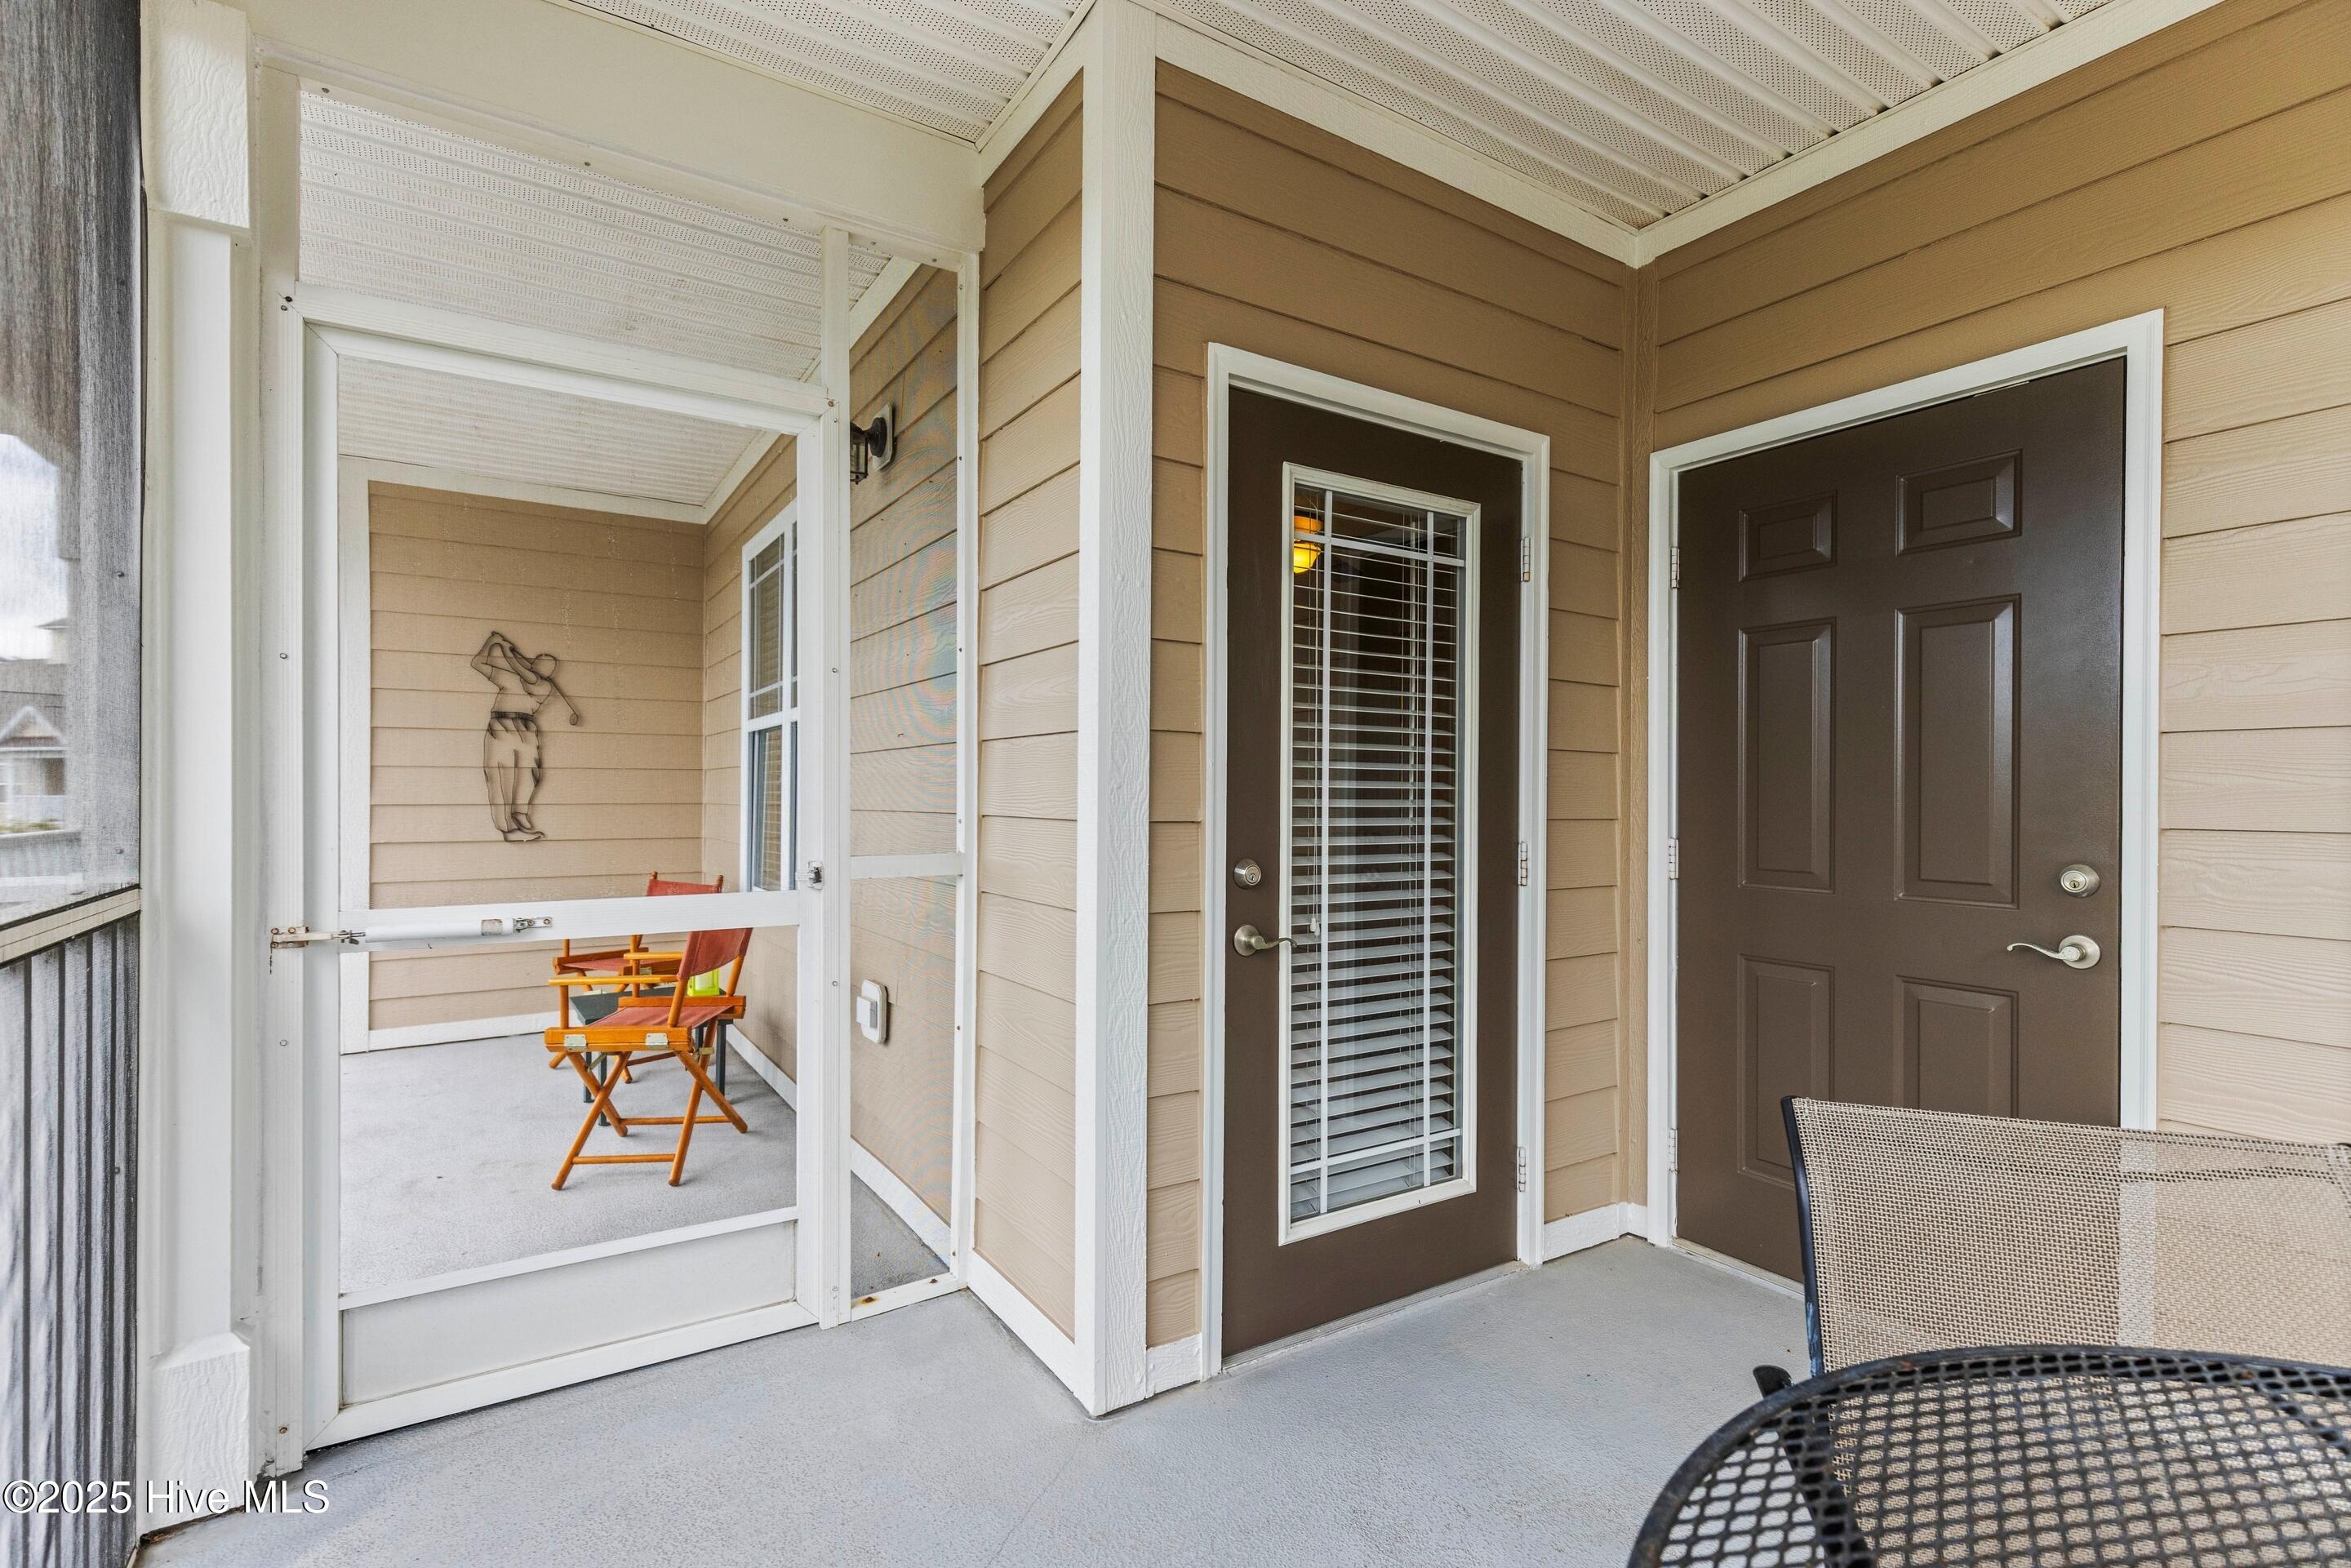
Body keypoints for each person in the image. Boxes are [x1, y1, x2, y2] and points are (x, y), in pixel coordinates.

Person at [471, 631, 580, 842]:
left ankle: (520, 817)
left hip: (525, 730)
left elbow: (523, 672)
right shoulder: (513, 678)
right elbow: (478, 663)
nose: (542, 667)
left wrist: (504, 649)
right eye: (539, 662)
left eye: (548, 666)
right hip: (501, 726)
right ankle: (508, 829)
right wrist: (490, 643)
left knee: (528, 776)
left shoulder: (543, 685)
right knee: (501, 776)